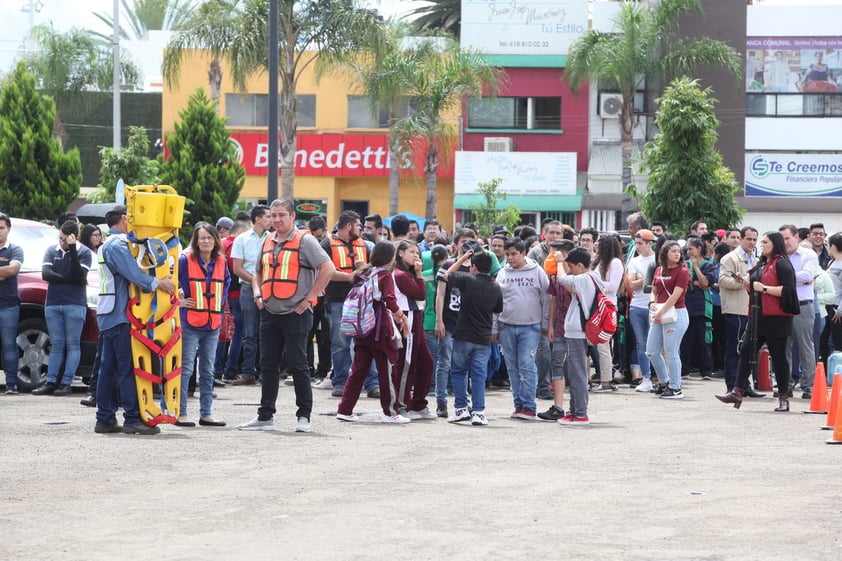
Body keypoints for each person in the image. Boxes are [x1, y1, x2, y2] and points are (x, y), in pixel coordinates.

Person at [238, 200, 335, 433]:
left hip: (296, 313)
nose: (277, 219)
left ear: (292, 216)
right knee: (268, 365)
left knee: (298, 365)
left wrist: (310, 298)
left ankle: (304, 417)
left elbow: (328, 268)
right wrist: (258, 294)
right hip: (270, 311)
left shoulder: (305, 240)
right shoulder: (267, 240)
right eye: (273, 215)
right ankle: (265, 416)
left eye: (282, 215)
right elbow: (257, 271)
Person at [95, 205, 175, 435]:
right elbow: (135, 275)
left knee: (108, 369)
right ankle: (132, 418)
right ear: (123, 220)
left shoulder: (106, 245)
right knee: (127, 368)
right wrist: (160, 283)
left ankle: (105, 418)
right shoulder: (118, 245)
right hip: (120, 315)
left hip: (109, 313)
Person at [716, 232, 797, 412]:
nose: (761, 245)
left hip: (777, 318)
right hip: (758, 315)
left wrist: (765, 288)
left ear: (774, 244)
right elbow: (755, 288)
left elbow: (789, 291)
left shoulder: (782, 264)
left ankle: (783, 397)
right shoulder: (762, 264)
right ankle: (737, 391)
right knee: (746, 351)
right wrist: (747, 284)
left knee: (778, 358)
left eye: (765, 242)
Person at [336, 241, 409, 424]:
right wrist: (402, 317)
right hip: (379, 328)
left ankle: (344, 409)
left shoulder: (365, 273)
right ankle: (390, 412)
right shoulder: (384, 275)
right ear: (391, 257)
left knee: (358, 370)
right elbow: (390, 300)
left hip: (362, 328)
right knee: (387, 370)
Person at [317, 210, 379, 397]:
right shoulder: (327, 244)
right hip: (337, 300)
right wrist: (351, 275)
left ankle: (372, 383)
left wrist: (364, 268)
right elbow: (324, 270)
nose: (361, 229)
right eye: (359, 225)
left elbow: (375, 271)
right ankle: (341, 382)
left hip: (362, 300)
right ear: (349, 226)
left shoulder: (366, 245)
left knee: (366, 343)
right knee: (340, 343)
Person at [438, 249, 503, 426]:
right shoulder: (495, 286)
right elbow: (498, 309)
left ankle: (460, 409)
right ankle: (479, 412)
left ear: (473, 267)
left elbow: (446, 274)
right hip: (483, 337)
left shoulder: (467, 280)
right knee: (479, 375)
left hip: (463, 335)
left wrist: (461, 259)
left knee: (459, 372)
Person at [176, 222, 231, 427]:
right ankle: (180, 412)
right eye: (202, 238)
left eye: (209, 237)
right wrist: (179, 301)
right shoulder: (184, 260)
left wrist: (217, 305)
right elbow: (172, 282)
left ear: (215, 240)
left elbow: (226, 284)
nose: (206, 241)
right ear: (196, 241)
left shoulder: (222, 261)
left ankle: (206, 413)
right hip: (190, 321)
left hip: (212, 322)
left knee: (208, 370)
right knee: (186, 369)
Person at [33, 220, 92, 396]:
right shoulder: (52, 250)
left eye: (66, 240)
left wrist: (73, 250)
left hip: (74, 303)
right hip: (53, 303)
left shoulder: (84, 252)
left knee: (72, 344)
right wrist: (70, 278)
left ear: (75, 238)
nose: (62, 243)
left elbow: (79, 276)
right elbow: (46, 274)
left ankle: (66, 382)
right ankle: (51, 381)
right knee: (57, 344)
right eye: (61, 238)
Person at [494, 238, 549, 419]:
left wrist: (545, 324)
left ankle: (529, 406)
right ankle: (518, 405)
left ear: (523, 253)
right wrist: (494, 327)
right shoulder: (502, 273)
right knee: (512, 367)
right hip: (506, 327)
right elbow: (496, 303)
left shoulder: (537, 272)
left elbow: (545, 299)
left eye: (513, 254)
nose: (509, 258)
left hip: (530, 328)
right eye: (507, 254)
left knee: (526, 365)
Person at [555, 247, 601, 425]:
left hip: (578, 332)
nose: (569, 270)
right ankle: (574, 411)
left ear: (580, 265)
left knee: (577, 374)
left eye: (571, 267)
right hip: (581, 331)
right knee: (576, 372)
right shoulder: (594, 276)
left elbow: (562, 279)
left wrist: (559, 261)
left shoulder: (584, 278)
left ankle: (580, 413)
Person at [393, 240, 435, 419]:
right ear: (400, 253)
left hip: (416, 317)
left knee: (426, 362)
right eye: (412, 252)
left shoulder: (407, 273)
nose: (416, 255)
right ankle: (402, 405)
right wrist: (418, 274)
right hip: (407, 318)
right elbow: (419, 294)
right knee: (406, 365)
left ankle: (418, 403)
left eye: (417, 252)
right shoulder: (401, 274)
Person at [229, 205, 271, 385]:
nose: (272, 220)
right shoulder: (242, 240)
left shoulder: (273, 239)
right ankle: (248, 371)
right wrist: (256, 281)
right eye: (268, 216)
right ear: (258, 219)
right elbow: (237, 269)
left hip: (271, 289)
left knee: (268, 331)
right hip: (247, 288)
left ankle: (266, 371)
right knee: (249, 332)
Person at [718, 227, 760, 393]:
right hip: (735, 309)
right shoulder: (730, 258)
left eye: (754, 240)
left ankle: (744, 385)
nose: (751, 243)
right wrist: (744, 282)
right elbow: (722, 280)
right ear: (741, 239)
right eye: (748, 239)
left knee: (748, 350)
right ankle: (732, 385)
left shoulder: (755, 259)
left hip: (751, 308)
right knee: (734, 348)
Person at [646, 240, 690, 399]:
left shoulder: (683, 271)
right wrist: (652, 302)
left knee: (671, 352)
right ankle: (664, 382)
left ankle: (676, 387)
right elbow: (654, 289)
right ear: (665, 254)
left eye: (678, 251)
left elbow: (676, 295)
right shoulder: (659, 269)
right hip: (660, 312)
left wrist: (660, 311)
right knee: (651, 351)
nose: (677, 254)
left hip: (676, 313)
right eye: (673, 251)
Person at [780, 224, 819, 399]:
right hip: (782, 306)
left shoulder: (808, 254)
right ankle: (785, 385)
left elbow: (808, 275)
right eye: (782, 239)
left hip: (803, 305)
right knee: (783, 348)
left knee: (806, 347)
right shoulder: (777, 256)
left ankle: (809, 386)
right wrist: (797, 278)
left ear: (797, 237)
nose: (785, 242)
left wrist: (786, 277)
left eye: (787, 238)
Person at [679, 237, 716, 381]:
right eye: (687, 249)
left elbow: (706, 283)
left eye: (690, 249)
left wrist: (695, 268)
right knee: (686, 340)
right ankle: (684, 370)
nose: (688, 252)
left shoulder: (708, 265)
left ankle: (706, 371)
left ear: (699, 249)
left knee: (703, 340)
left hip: (702, 308)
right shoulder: (684, 265)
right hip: (686, 306)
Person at [591, 233, 624, 392]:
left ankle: (606, 381)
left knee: (603, 345)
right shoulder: (598, 262)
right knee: (594, 345)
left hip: (608, 307)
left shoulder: (615, 263)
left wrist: (593, 282)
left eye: (598, 242)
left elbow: (612, 287)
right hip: (595, 306)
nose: (595, 244)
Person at [625, 229, 657, 391]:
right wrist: (647, 279)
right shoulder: (634, 261)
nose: (637, 246)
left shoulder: (658, 259)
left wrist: (641, 278)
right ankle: (646, 378)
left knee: (656, 344)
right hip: (637, 306)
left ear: (649, 244)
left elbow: (653, 285)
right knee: (641, 344)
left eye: (640, 243)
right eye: (636, 243)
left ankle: (660, 378)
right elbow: (631, 284)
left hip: (654, 306)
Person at [0, 213, 23, 394]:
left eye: (1, 228)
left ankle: (11, 384)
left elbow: (12, 270)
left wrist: (6, 272)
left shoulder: (15, 250)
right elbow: (5, 272)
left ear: (8, 229)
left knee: (9, 345)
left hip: (8, 305)